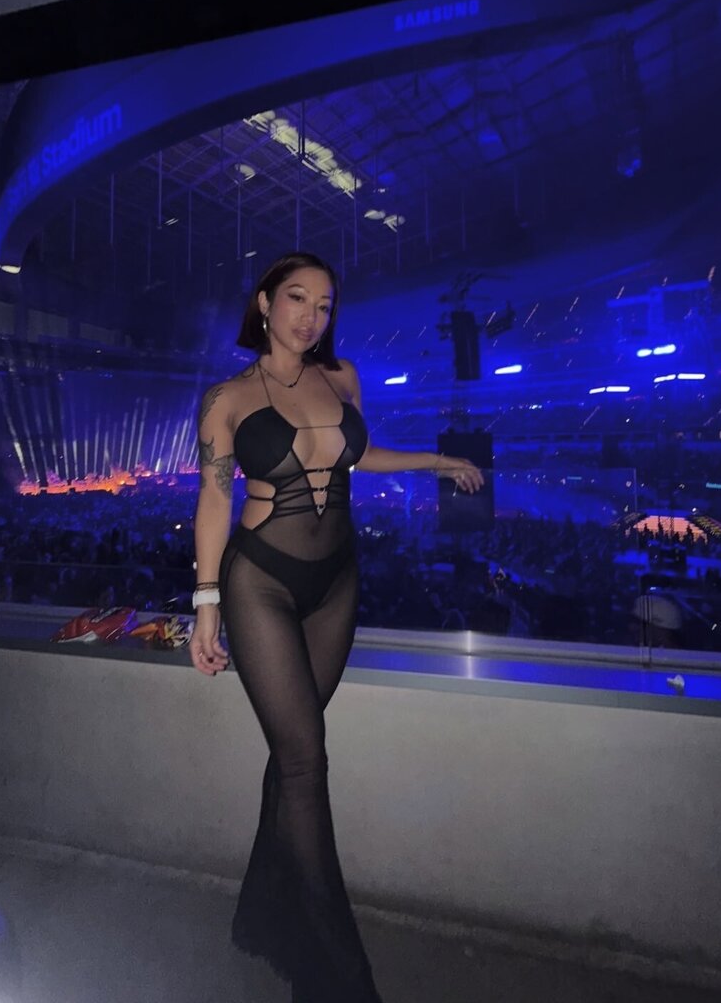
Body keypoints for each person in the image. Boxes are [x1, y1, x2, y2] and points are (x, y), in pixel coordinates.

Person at [189, 251, 484, 1002]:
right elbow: (215, 499)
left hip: (337, 581)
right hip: (260, 581)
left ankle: (266, 915)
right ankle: (337, 977)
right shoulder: (228, 398)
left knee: (293, 754)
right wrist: (206, 601)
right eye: (297, 298)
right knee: (304, 762)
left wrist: (434, 461)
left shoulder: (343, 377)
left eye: (324, 305)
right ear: (264, 303)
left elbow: (357, 454)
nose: (311, 317)